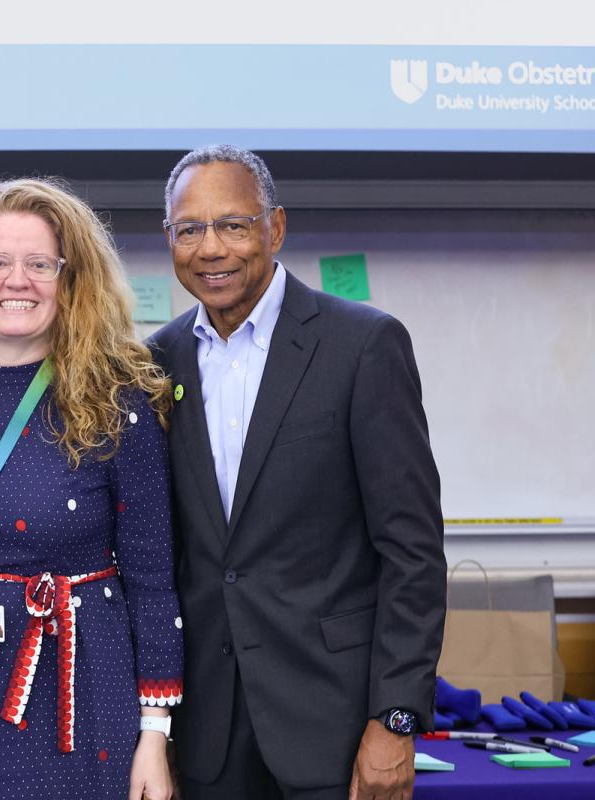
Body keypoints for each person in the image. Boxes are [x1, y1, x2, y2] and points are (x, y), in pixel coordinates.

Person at [149, 145, 446, 800]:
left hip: (335, 732)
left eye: (233, 224)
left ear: (275, 228)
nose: (211, 248)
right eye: (189, 229)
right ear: (168, 238)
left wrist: (394, 719)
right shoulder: (154, 363)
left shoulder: (363, 346)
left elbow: (413, 553)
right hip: (205, 739)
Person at [0, 178, 184, 800]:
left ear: (70, 279)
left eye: (39, 264)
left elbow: (154, 582)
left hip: (77, 702)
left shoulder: (119, 404)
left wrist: (154, 735)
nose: (15, 281)